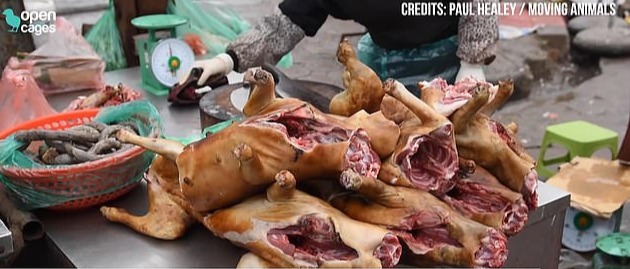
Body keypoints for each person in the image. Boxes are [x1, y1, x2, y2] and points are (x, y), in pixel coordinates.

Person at [179, 0, 498, 94]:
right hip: (382, 65)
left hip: (447, 64)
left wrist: (473, 61)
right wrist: (229, 58)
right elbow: (287, 23)